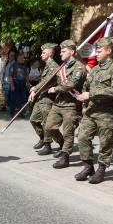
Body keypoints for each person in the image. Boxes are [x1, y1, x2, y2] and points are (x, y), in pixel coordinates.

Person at [75, 37, 113, 184]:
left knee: (105, 143)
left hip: (109, 114)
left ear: (109, 51)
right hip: (92, 111)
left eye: (99, 50)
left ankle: (101, 170)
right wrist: (85, 104)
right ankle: (88, 166)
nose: (96, 53)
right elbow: (86, 87)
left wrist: (90, 95)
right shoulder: (96, 69)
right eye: (96, 51)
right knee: (83, 138)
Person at [38, 39, 87, 170]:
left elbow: (72, 84)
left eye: (63, 51)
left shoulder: (79, 67)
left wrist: (56, 89)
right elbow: (50, 81)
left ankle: (65, 157)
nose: (61, 53)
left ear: (71, 52)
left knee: (68, 132)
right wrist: (38, 89)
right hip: (58, 103)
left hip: (71, 105)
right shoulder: (62, 67)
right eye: (60, 51)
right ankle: (62, 145)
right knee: (49, 127)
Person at [28, 43, 60, 150]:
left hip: (48, 98)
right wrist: (35, 91)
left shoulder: (54, 66)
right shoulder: (46, 65)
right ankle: (42, 138)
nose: (41, 55)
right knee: (34, 119)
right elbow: (42, 81)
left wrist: (34, 89)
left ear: (50, 53)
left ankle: (48, 144)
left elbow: (47, 82)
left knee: (47, 123)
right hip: (41, 97)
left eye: (43, 52)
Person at [8, 52, 29, 118]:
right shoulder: (13, 66)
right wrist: (12, 85)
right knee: (13, 99)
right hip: (15, 82)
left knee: (23, 99)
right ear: (17, 58)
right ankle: (12, 113)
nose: (22, 59)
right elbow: (10, 76)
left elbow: (26, 76)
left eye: (23, 58)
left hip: (22, 83)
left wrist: (28, 84)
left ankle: (21, 113)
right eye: (21, 58)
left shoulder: (24, 66)